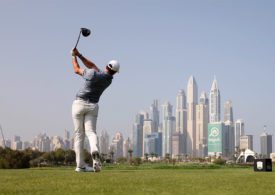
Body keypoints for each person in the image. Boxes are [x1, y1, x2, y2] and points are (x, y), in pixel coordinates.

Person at [70, 48, 120, 172]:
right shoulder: (109, 80)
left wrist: (73, 56)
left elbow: (76, 69)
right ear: (114, 72)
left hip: (79, 104)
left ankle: (80, 165)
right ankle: (94, 150)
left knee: (78, 135)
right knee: (91, 132)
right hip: (93, 106)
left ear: (106, 66)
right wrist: (79, 54)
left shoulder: (92, 74)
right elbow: (92, 65)